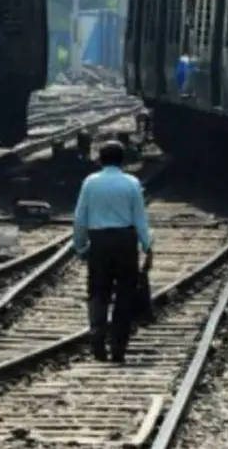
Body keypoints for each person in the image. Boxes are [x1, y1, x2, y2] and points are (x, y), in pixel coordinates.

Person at [72, 141, 153, 363]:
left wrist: (79, 245)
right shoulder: (131, 183)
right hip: (125, 242)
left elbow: (80, 218)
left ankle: (97, 335)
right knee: (125, 293)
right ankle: (119, 346)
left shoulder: (90, 182)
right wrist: (147, 245)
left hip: (99, 242)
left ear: (100, 159)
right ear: (122, 160)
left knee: (98, 290)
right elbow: (140, 218)